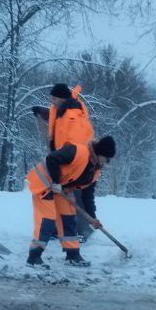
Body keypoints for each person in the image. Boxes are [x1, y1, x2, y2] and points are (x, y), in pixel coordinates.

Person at [26, 135, 116, 267]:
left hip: (61, 189)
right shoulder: (77, 151)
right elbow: (52, 159)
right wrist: (55, 181)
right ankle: (34, 257)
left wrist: (92, 218)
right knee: (48, 220)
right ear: (100, 153)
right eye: (107, 159)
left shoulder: (94, 170)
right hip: (44, 182)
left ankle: (72, 255)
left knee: (68, 217)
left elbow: (88, 196)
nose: (107, 163)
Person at [31, 82, 97, 241]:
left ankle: (82, 230)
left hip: (73, 159)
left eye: (54, 98)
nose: (51, 101)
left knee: (75, 195)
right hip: (62, 157)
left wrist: (66, 158)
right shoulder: (61, 109)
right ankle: (57, 229)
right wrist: (42, 112)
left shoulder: (73, 116)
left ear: (61, 98)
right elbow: (55, 118)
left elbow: (75, 139)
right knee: (58, 194)